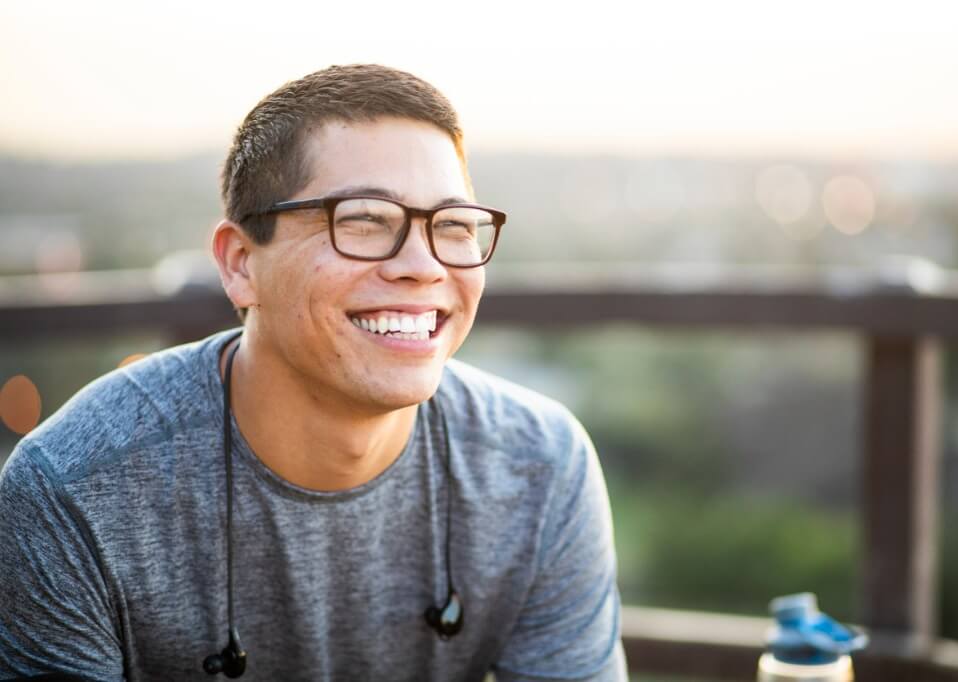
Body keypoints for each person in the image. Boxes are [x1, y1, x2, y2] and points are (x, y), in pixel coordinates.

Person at [0, 64, 626, 680]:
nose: (423, 266)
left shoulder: (539, 466)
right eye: (363, 220)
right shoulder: (73, 492)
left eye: (454, 226)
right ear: (242, 263)